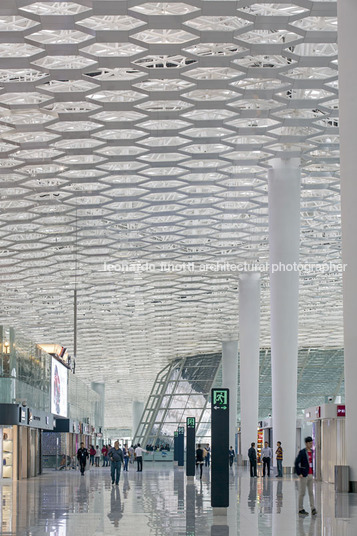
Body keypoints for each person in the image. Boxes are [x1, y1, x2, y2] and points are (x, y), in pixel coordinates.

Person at [295, 436, 317, 516]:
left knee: (311, 492)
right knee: (302, 492)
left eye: (312, 443)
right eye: (310, 443)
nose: (311, 444)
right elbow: (296, 463)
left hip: (311, 474)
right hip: (304, 475)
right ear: (306, 443)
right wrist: (299, 473)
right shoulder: (302, 452)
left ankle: (313, 508)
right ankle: (300, 509)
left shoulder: (312, 452)